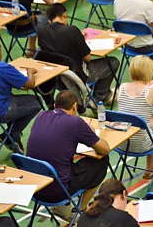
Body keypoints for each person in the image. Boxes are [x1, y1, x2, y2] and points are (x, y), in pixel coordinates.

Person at [27, 90, 110, 219]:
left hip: (35, 188)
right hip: (57, 191)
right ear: (74, 106)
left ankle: (64, 207)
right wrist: (90, 134)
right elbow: (104, 149)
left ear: (55, 106)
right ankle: (79, 210)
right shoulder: (75, 122)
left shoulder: (41, 115)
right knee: (101, 161)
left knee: (62, 161)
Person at [37, 3, 119, 105]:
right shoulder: (72, 30)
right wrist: (79, 40)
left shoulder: (41, 31)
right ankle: (99, 97)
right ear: (65, 14)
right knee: (113, 62)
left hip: (55, 77)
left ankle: (99, 96)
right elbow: (87, 58)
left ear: (49, 20)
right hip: (76, 74)